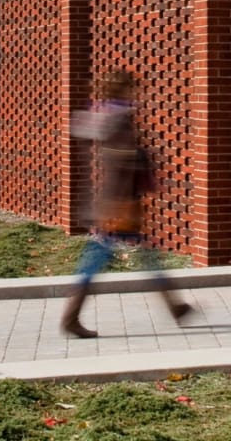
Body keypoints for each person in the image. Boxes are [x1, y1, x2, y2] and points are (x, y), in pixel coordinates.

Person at [62, 69, 192, 338]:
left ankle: (176, 307)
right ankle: (70, 316)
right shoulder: (120, 118)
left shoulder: (107, 114)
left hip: (114, 200)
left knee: (142, 254)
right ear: (124, 90)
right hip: (120, 202)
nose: (137, 93)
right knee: (103, 257)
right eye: (132, 88)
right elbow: (122, 160)